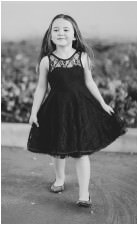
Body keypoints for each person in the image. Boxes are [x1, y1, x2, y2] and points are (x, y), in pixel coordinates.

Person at [27, 14, 126, 207]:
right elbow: (41, 88)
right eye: (56, 30)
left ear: (74, 35)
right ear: (50, 36)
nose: (60, 33)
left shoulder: (83, 57)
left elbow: (90, 83)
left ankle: (84, 194)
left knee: (82, 152)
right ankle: (59, 178)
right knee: (58, 149)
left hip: (81, 109)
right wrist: (34, 112)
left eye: (66, 29)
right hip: (57, 110)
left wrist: (102, 103)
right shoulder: (47, 61)